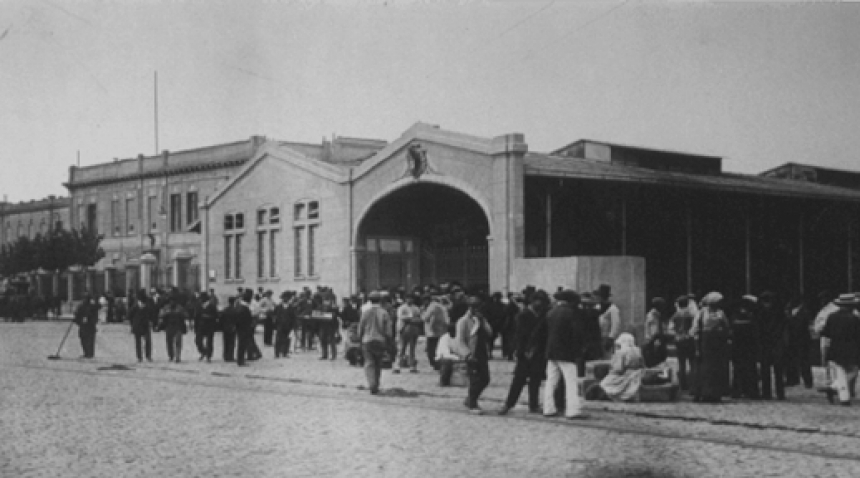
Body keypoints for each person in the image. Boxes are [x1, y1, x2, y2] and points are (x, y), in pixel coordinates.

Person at [534, 289, 587, 419]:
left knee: (551, 382)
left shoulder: (551, 313)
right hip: (566, 353)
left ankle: (548, 408)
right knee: (570, 382)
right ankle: (572, 410)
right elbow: (576, 334)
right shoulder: (572, 313)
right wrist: (579, 351)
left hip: (551, 352)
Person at [498, 289, 550, 415]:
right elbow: (519, 335)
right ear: (533, 301)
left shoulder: (542, 315)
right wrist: (522, 350)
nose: (540, 305)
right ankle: (508, 404)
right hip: (524, 353)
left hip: (538, 353)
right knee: (518, 380)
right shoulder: (523, 315)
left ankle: (534, 405)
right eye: (539, 302)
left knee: (535, 380)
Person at [689, 292, 731, 403]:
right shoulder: (702, 313)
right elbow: (695, 329)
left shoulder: (720, 313)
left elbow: (726, 327)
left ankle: (715, 394)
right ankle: (700, 393)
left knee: (716, 370)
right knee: (702, 370)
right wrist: (697, 346)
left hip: (717, 346)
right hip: (704, 344)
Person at [455, 295, 493, 415]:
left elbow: (490, 333)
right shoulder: (463, 321)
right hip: (471, 353)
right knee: (475, 380)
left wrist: (482, 321)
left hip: (482, 352)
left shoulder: (481, 320)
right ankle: (473, 403)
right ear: (469, 307)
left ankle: (470, 399)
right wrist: (467, 355)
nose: (476, 309)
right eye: (474, 307)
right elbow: (460, 340)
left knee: (485, 379)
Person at [820, 293, 860, 406]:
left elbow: (825, 333)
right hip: (851, 348)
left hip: (835, 347)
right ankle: (836, 387)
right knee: (853, 370)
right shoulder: (855, 319)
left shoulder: (831, 316)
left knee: (840, 371)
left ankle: (844, 397)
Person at [587, 333, 645, 402]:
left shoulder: (621, 352)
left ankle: (608, 395)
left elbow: (618, 369)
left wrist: (611, 369)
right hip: (638, 375)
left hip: (625, 376)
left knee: (605, 383)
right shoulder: (638, 351)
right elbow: (643, 364)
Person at [357, 291, 393, 395]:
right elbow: (388, 331)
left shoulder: (365, 313)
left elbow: (360, 329)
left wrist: (360, 339)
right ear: (380, 300)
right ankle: (376, 384)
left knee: (369, 363)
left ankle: (371, 384)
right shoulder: (384, 313)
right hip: (380, 340)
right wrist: (389, 342)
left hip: (367, 340)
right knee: (378, 363)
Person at [729, 295, 761, 399]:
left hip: (738, 346)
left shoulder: (736, 315)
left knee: (738, 369)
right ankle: (751, 391)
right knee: (750, 369)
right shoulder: (752, 316)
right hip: (748, 347)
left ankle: (737, 391)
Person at [758, 291, 787, 401]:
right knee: (777, 370)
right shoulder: (779, 313)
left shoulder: (761, 313)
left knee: (767, 369)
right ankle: (779, 393)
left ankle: (767, 393)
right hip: (775, 343)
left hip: (768, 343)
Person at [785, 295, 814, 389]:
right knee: (791, 360)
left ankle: (807, 381)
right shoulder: (790, 312)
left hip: (802, 340)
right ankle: (792, 379)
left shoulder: (804, 312)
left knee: (804, 361)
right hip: (792, 340)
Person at [671, 295, 697, 391]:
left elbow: (671, 328)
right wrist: (689, 335)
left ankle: (683, 385)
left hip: (679, 340)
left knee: (681, 364)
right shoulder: (691, 315)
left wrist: (677, 335)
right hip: (689, 340)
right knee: (692, 363)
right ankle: (693, 385)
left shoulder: (675, 315)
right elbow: (694, 327)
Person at [394, 294, 422, 373]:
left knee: (412, 349)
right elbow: (401, 317)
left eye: (411, 299)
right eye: (408, 298)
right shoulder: (402, 308)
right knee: (401, 348)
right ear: (406, 299)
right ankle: (397, 366)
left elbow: (419, 318)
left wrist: (412, 320)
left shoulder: (416, 308)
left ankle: (412, 366)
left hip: (413, 330)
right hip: (403, 329)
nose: (410, 300)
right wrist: (411, 319)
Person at [422, 293, 449, 371]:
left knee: (431, 349)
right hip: (441, 331)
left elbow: (425, 317)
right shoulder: (442, 307)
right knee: (438, 348)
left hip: (432, 332)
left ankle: (435, 364)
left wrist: (422, 313)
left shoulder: (432, 306)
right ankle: (439, 363)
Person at [159, 294, 188, 363]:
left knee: (178, 342)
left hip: (178, 327)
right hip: (169, 327)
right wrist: (166, 313)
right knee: (169, 342)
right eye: (171, 301)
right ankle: (171, 355)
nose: (172, 302)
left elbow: (186, 315)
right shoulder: (166, 308)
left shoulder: (180, 308)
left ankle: (177, 356)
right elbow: (161, 315)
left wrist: (180, 314)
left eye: (174, 301)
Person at [643, 297, 669, 368]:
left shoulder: (656, 314)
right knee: (656, 357)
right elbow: (653, 328)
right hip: (654, 338)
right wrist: (655, 338)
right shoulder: (653, 315)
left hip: (656, 338)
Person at [130, 290, 156, 362]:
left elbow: (152, 312)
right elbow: (130, 314)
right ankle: (141, 357)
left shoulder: (148, 303)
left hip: (144, 324)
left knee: (146, 341)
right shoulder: (135, 303)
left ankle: (146, 356)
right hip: (140, 324)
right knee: (140, 341)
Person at [595, 284, 620, 359]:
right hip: (599, 337)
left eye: (601, 296)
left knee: (607, 358)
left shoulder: (613, 309)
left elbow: (616, 325)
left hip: (607, 338)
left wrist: (611, 338)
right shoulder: (598, 307)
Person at [73, 294, 98, 359]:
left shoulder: (92, 307)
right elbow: (77, 314)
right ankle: (87, 353)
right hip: (83, 326)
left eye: (86, 299)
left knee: (90, 340)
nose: (85, 300)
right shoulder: (81, 306)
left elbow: (95, 316)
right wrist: (76, 319)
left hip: (90, 326)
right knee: (83, 339)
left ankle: (90, 353)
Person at [196, 292, 218, 362]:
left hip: (209, 326)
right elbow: (196, 316)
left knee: (209, 342)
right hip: (201, 326)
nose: (200, 300)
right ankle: (203, 351)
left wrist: (208, 317)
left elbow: (216, 316)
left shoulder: (212, 306)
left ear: (205, 299)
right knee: (198, 340)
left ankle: (209, 356)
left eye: (201, 298)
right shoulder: (199, 306)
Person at [236, 290, 256, 366]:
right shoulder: (244, 308)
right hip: (244, 329)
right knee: (242, 345)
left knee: (241, 345)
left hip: (241, 329)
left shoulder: (240, 307)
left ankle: (240, 360)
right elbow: (246, 320)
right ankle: (240, 361)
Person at [274, 292, 297, 358]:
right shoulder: (278, 307)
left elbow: (293, 318)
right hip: (280, 326)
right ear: (282, 298)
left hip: (288, 326)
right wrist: (276, 325)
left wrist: (293, 326)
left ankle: (285, 352)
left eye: (287, 298)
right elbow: (275, 316)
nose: (285, 299)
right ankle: (277, 353)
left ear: (289, 299)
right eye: (284, 298)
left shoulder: (291, 308)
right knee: (278, 339)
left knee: (287, 339)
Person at [220, 297, 238, 362]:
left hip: (225, 328)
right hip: (232, 328)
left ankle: (225, 356)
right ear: (234, 302)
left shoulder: (225, 310)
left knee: (226, 342)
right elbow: (237, 320)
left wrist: (222, 326)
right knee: (231, 343)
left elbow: (221, 319)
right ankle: (230, 356)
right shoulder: (235, 310)